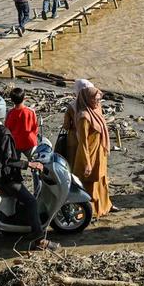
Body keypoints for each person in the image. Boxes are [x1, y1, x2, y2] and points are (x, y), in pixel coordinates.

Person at [0, 93, 51, 249]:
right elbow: (8, 160)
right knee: (30, 201)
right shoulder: (3, 133)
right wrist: (29, 165)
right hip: (2, 177)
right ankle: (38, 237)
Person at [71, 86, 112, 216]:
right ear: (87, 99)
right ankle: (90, 211)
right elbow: (83, 142)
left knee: (101, 180)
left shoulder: (96, 110)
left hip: (99, 153)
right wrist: (87, 162)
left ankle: (104, 206)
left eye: (100, 99)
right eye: (96, 99)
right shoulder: (84, 117)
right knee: (89, 182)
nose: (98, 102)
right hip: (88, 154)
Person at [62, 79, 95, 162]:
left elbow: (66, 126)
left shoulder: (72, 106)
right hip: (90, 137)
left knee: (73, 161)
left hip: (74, 138)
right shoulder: (94, 105)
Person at [5, 88, 41, 159]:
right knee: (35, 162)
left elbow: (7, 129)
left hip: (16, 143)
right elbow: (35, 128)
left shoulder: (10, 113)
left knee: (15, 163)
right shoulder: (31, 112)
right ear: (24, 98)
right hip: (29, 141)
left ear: (12, 100)